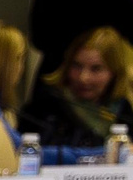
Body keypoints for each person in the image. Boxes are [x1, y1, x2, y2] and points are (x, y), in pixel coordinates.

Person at [21, 26, 133, 159]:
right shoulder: (44, 106)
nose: (83, 78)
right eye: (77, 66)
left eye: (96, 69)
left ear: (114, 73)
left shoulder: (123, 110)